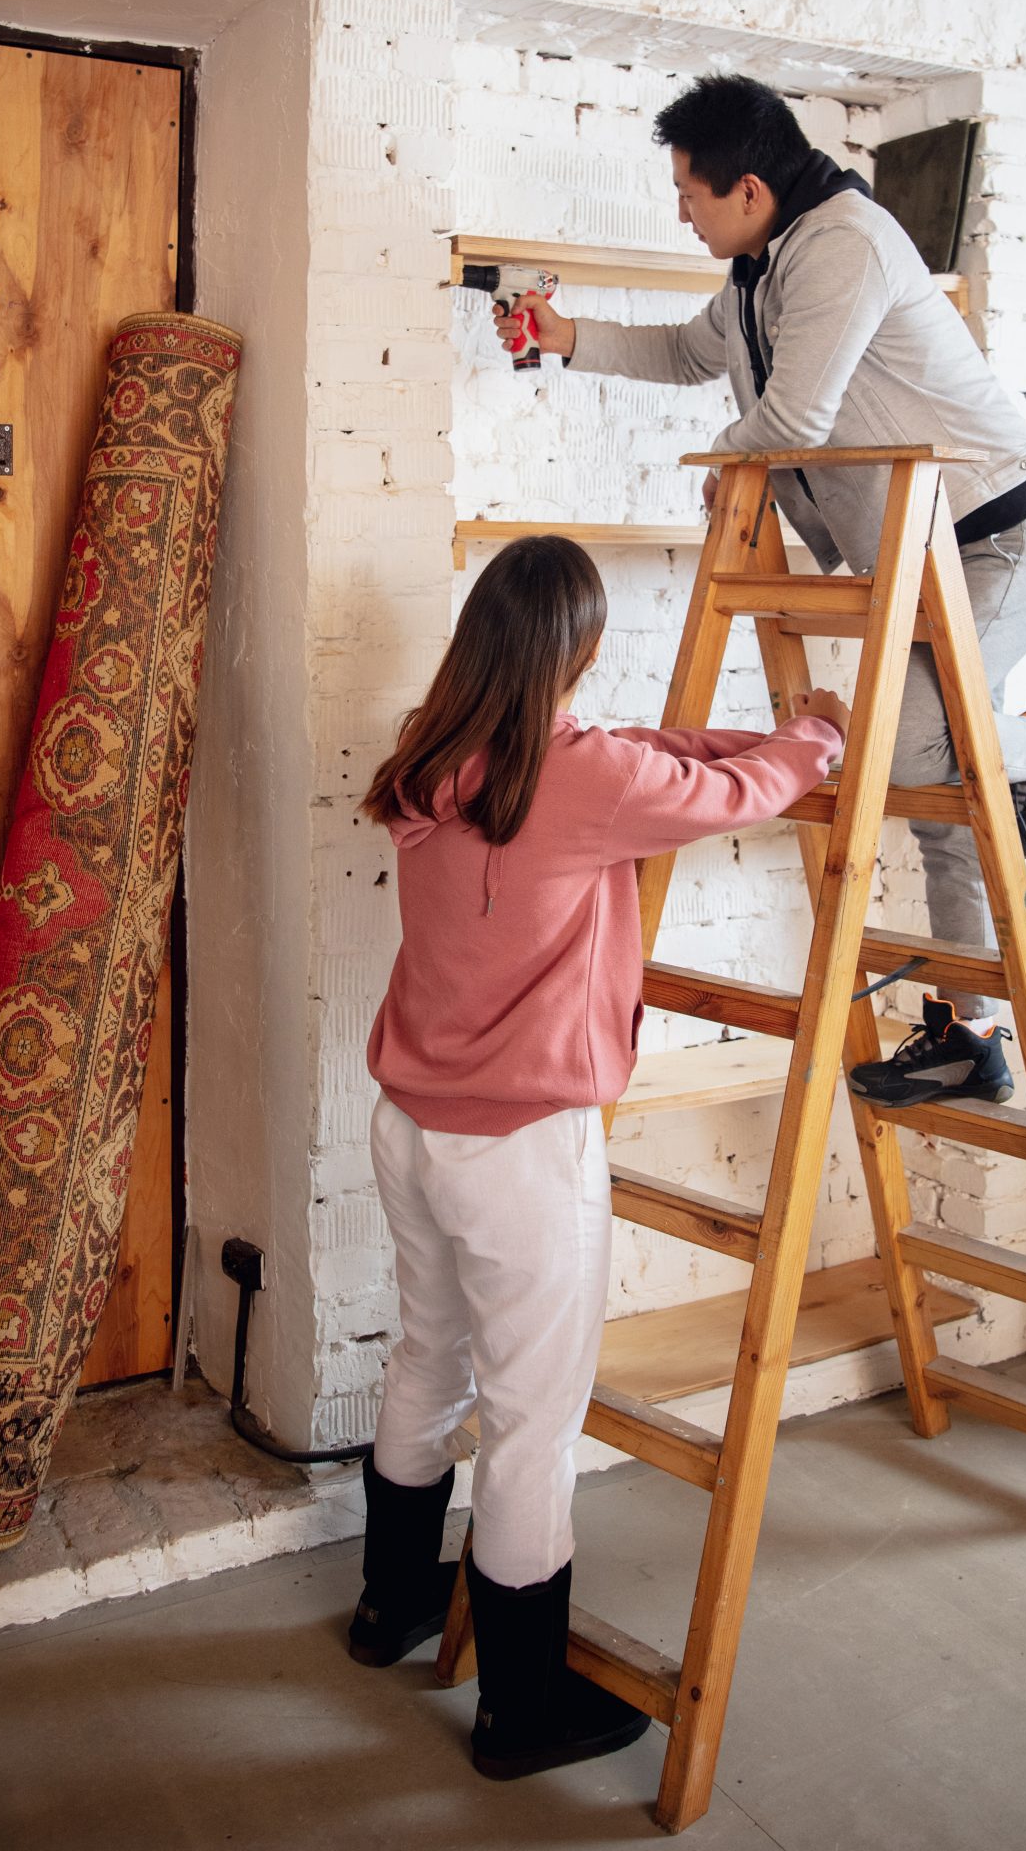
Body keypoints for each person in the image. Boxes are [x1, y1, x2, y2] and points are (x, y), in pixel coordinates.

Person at [351, 534, 846, 1780]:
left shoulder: (429, 748)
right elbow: (735, 796)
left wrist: (719, 742)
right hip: (520, 1150)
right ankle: (521, 1711)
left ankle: (390, 1606)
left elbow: (653, 761)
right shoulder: (575, 777)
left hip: (409, 1125)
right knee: (530, 1422)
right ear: (572, 649)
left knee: (427, 1356)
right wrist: (813, 735)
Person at [497, 72, 1026, 1111]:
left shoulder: (843, 249)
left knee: (910, 750)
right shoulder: (754, 273)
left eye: (689, 192)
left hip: (999, 546)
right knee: (944, 803)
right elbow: (690, 354)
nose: (680, 209)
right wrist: (563, 335)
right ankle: (968, 1035)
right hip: (919, 564)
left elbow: (792, 422)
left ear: (751, 190)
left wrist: (713, 475)